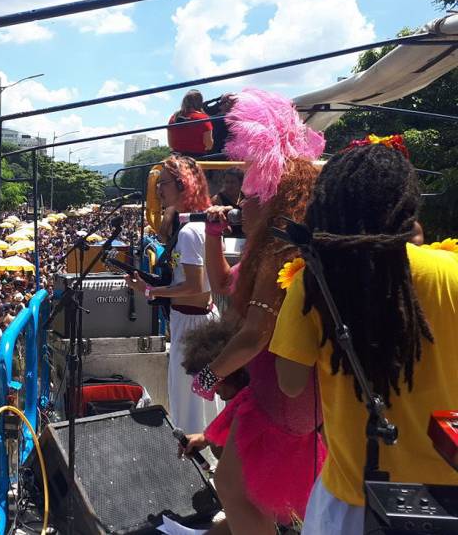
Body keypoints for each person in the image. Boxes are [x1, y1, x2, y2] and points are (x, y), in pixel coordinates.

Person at [269, 140, 458, 535]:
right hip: (447, 498)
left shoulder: (313, 283)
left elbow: (289, 384)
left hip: (353, 502)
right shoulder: (451, 272)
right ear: (407, 202)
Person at [182, 89, 327, 533]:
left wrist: (206, 379)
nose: (240, 201)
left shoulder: (280, 248)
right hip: (273, 392)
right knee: (241, 494)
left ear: (270, 194)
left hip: (282, 397)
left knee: (236, 491)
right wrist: (212, 235)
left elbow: (255, 334)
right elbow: (225, 284)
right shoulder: (271, 245)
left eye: (248, 194)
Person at [134, 154, 223, 434]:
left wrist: (150, 290)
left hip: (192, 324)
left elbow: (196, 288)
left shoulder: (188, 233)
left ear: (183, 185)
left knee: (189, 399)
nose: (159, 190)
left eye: (164, 184)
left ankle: (195, 450)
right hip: (196, 322)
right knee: (203, 397)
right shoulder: (196, 227)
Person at [167, 89, 214, 157]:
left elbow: (171, 144)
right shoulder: (203, 118)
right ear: (200, 102)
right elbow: (209, 145)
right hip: (196, 160)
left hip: (177, 159)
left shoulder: (173, 118)